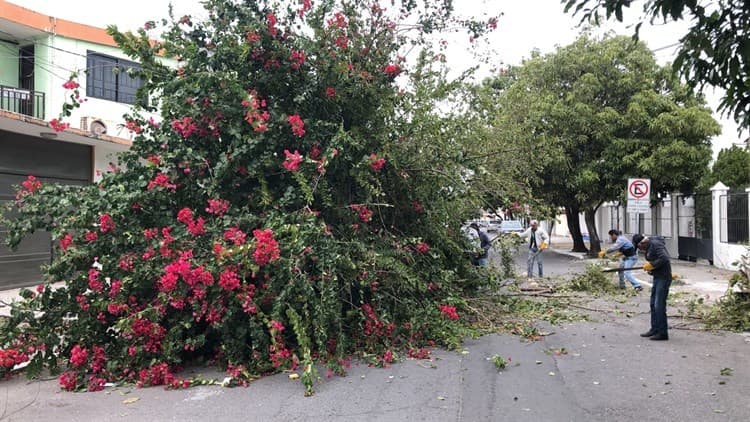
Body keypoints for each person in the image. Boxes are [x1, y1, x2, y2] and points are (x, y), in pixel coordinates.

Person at [633, 234, 672, 341]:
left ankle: (662, 333)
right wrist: (651, 269)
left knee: (659, 305)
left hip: (663, 278)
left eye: (640, 247)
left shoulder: (656, 244)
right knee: (653, 304)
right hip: (657, 277)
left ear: (642, 243)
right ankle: (655, 329)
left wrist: (652, 265)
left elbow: (664, 258)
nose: (640, 249)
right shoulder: (649, 246)